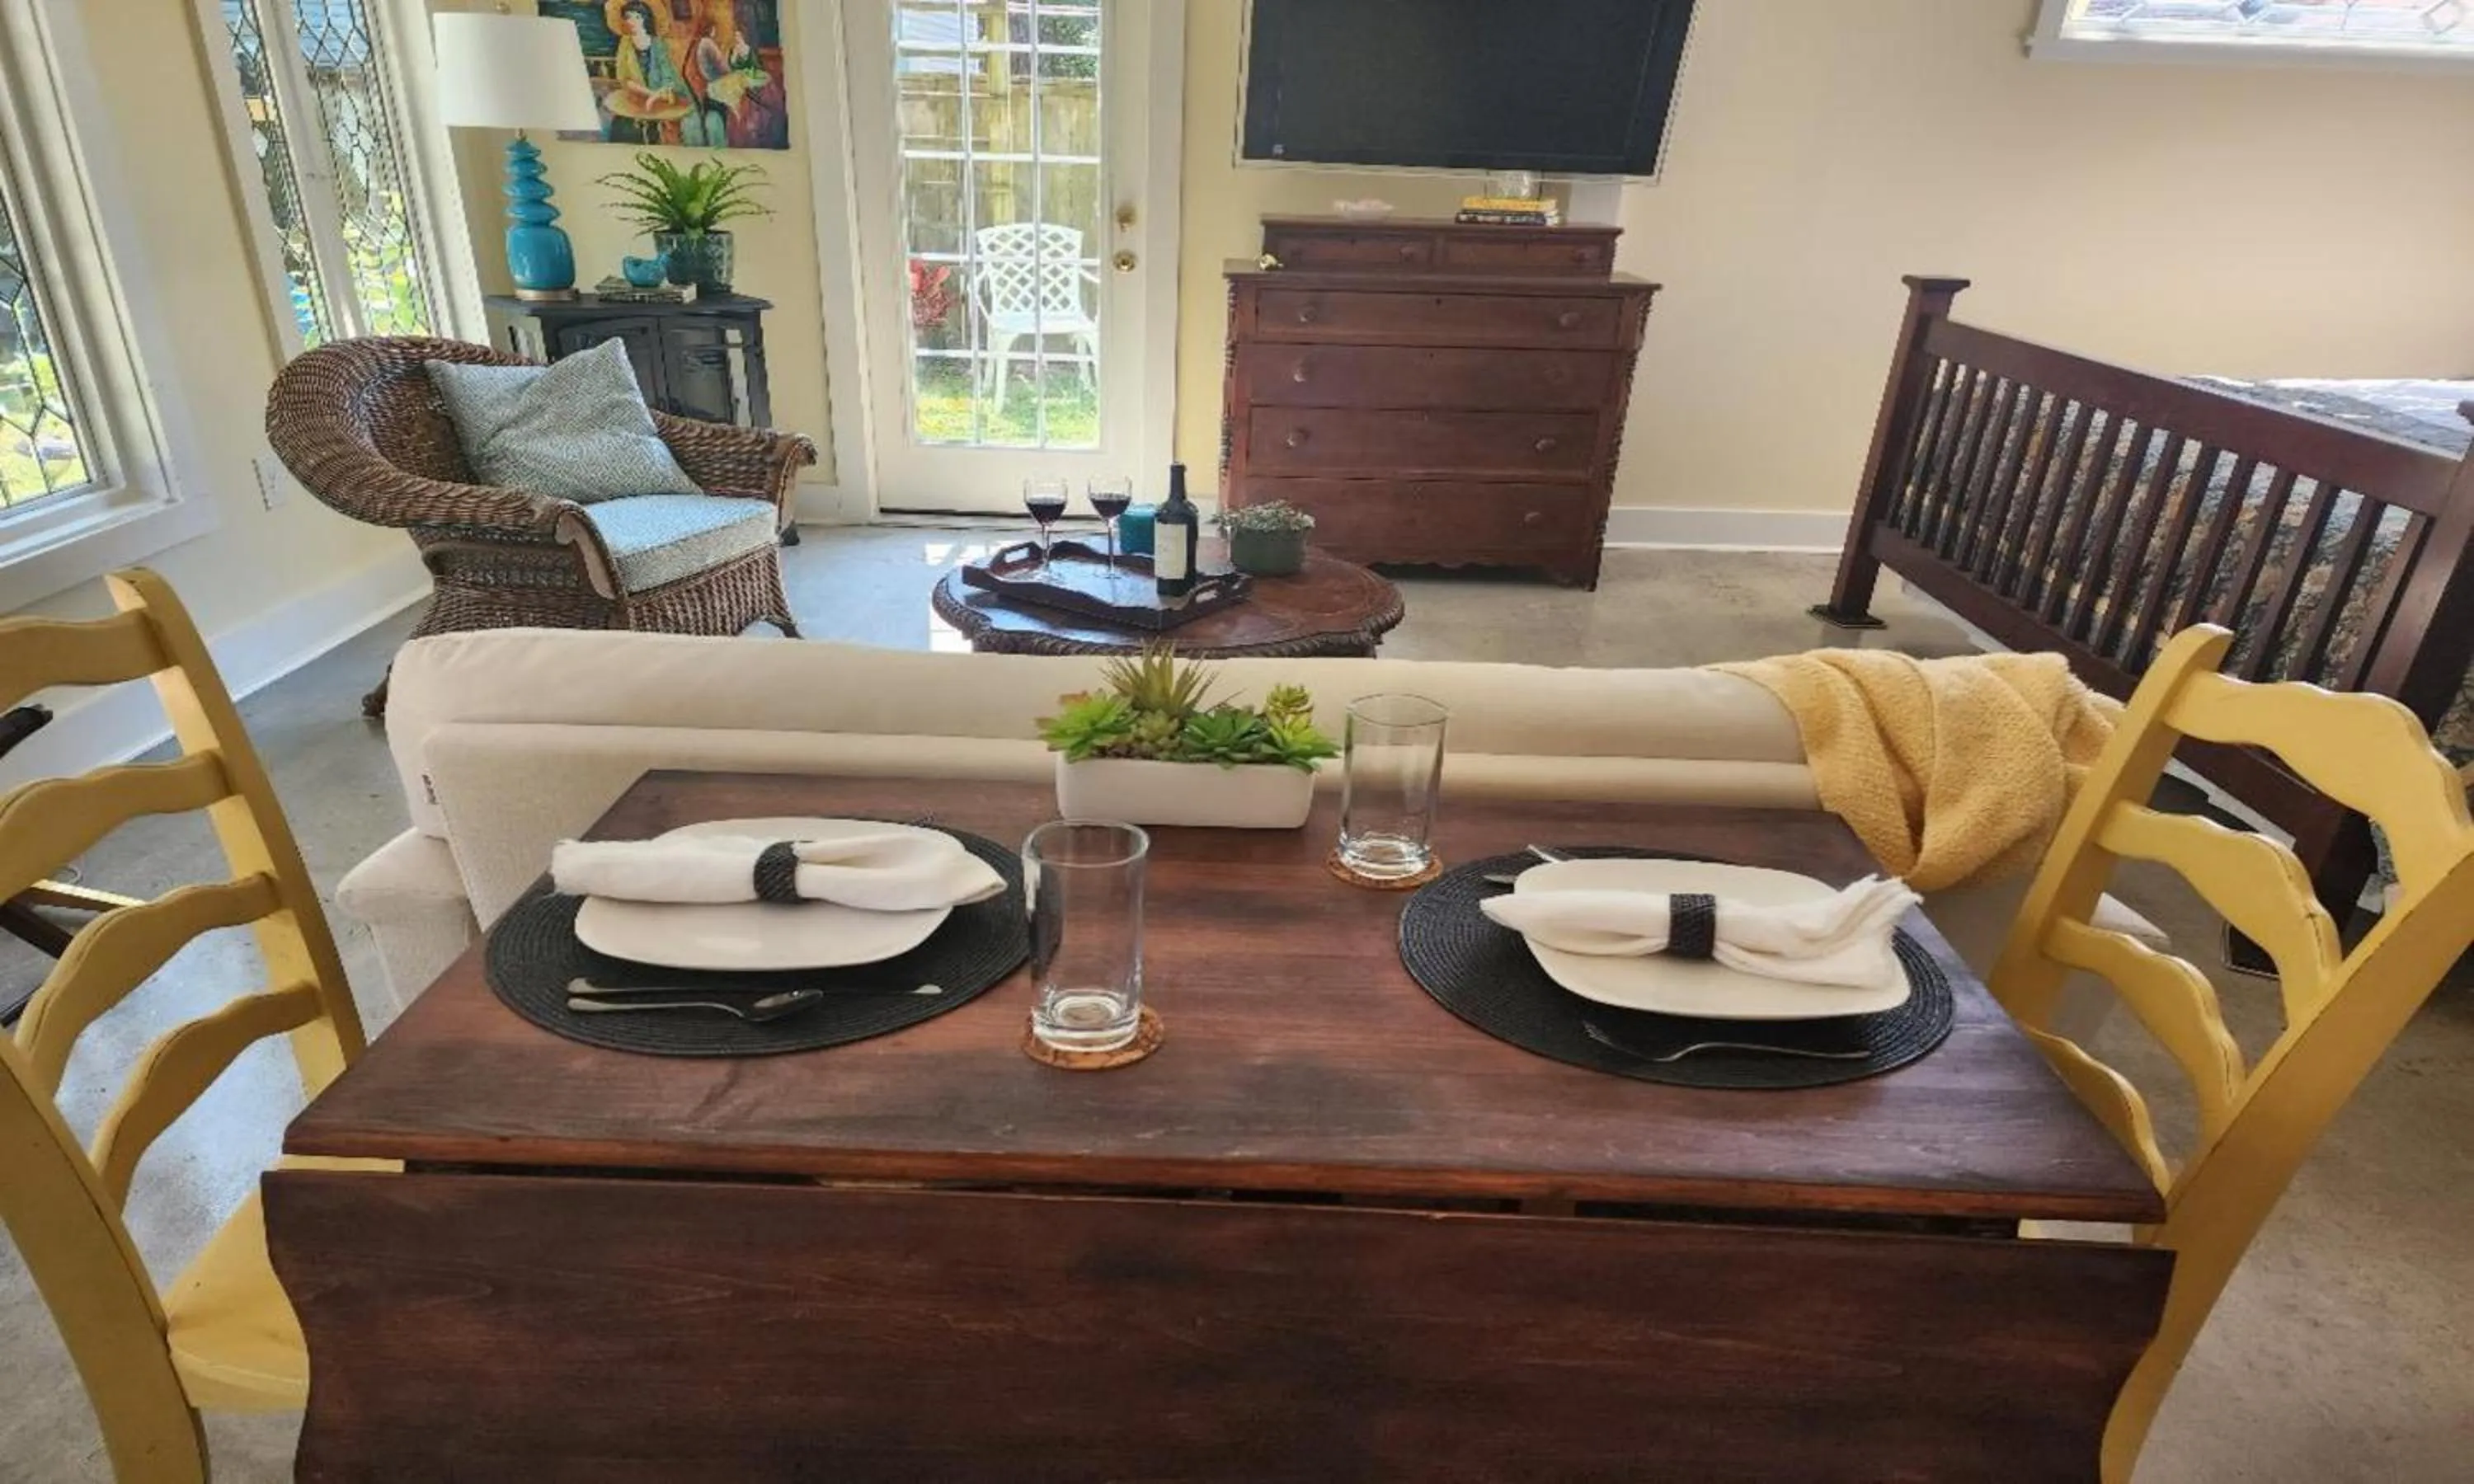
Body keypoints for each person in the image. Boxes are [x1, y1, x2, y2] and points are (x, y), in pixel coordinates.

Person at [612, 0, 690, 144]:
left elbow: (668, 77)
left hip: (662, 98)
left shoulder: (658, 43)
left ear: (645, 18)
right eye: (628, 17)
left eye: (637, 17)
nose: (632, 21)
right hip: (637, 97)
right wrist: (650, 94)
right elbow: (624, 78)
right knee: (624, 130)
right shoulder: (625, 43)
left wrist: (657, 95)